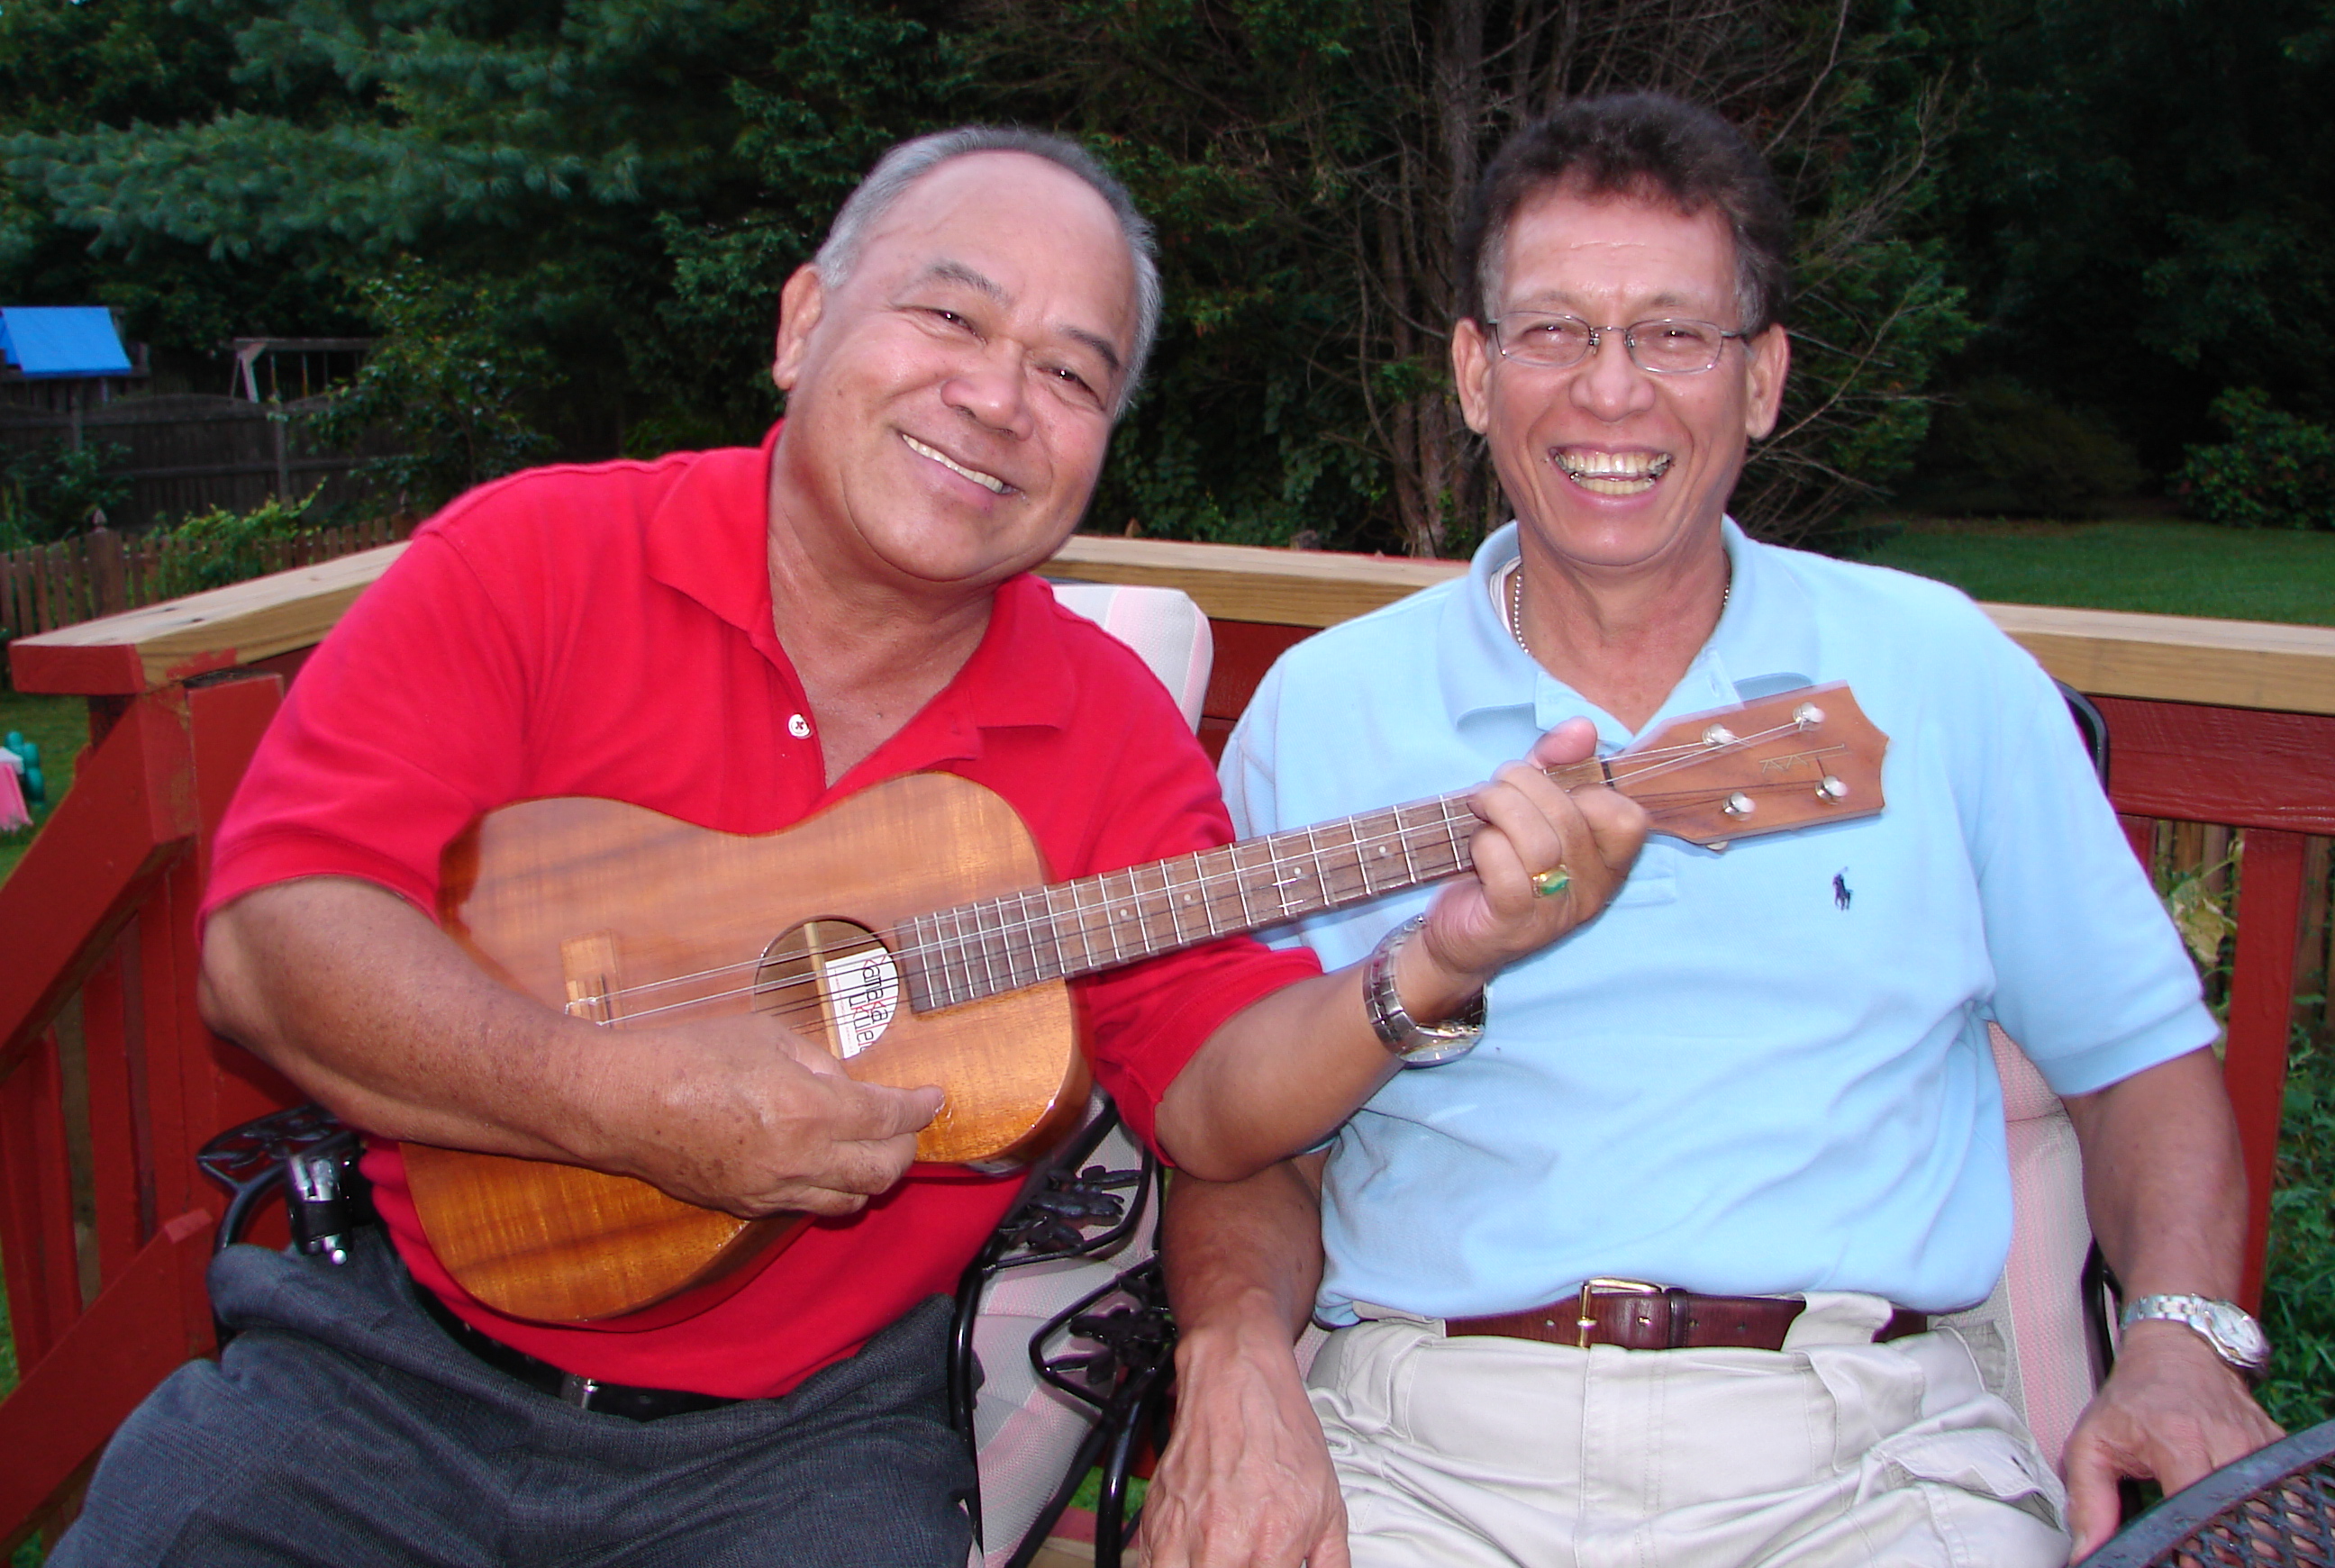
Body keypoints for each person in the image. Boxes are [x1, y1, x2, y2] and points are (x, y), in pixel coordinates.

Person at [50, 127, 1646, 1568]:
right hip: (385, 1375)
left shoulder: (1103, 734)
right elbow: (269, 947)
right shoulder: (534, 557)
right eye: (950, 318)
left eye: (1074, 375)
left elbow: (1222, 1105)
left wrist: (1433, 962)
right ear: (805, 321)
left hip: (803, 1445)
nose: (999, 398)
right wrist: (629, 1103)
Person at [1139, 94, 2284, 1568]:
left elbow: (2141, 1068)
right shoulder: (1329, 706)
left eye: (1674, 334)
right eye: (1553, 331)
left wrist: (2183, 1343)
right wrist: (1231, 1358)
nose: (1610, 393)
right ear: (1476, 375)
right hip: (1419, 1448)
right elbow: (1241, 1140)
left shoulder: (1937, 675)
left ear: (1762, 381)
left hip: (1859, 1457)